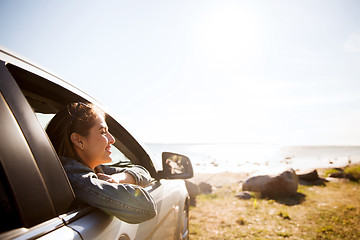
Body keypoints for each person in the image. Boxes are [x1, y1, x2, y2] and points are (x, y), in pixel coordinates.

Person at [46, 102, 157, 224]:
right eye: (103, 132)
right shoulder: (73, 176)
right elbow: (147, 207)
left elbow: (144, 172)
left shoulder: (96, 169)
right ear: (78, 140)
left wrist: (119, 179)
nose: (112, 139)